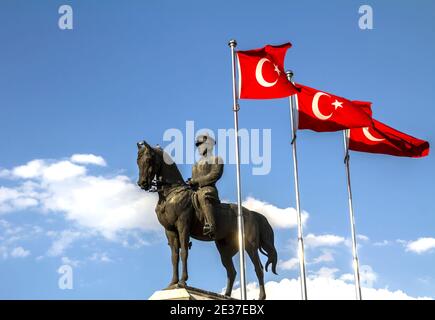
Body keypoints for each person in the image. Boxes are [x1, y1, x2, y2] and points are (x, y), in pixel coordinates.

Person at [188, 133, 223, 238]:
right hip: (196, 191)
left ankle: (211, 225)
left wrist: (197, 181)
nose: (199, 147)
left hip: (208, 189)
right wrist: (190, 183)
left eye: (201, 144)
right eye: (198, 145)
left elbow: (215, 175)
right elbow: (193, 181)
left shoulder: (217, 159)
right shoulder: (195, 165)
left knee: (203, 196)